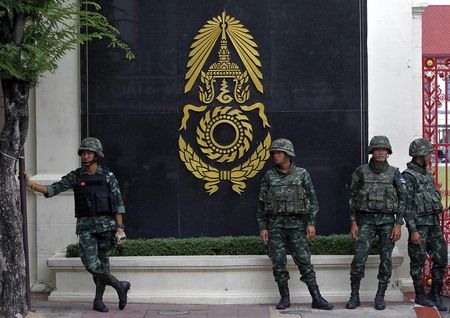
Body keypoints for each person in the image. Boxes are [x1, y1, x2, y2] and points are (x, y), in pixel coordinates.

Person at [26, 137, 130, 313]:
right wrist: (32, 184)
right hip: (86, 228)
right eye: (83, 152)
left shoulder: (108, 177)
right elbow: (53, 189)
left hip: (106, 228)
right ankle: (120, 285)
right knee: (91, 264)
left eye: (89, 152)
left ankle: (98, 301)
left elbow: (118, 204)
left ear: (97, 155)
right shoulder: (75, 176)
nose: (85, 156)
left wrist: (120, 229)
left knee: (102, 266)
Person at [256, 138, 333, 311]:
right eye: (274, 153)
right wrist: (263, 227)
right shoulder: (269, 176)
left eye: (279, 152)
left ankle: (317, 297)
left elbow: (313, 201)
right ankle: (285, 298)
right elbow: (261, 204)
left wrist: (311, 223)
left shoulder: (302, 174)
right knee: (278, 262)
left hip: (296, 225)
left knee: (305, 261)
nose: (275, 155)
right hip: (275, 226)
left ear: (288, 154)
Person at [346, 135, 406, 310]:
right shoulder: (361, 172)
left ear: (388, 152)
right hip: (366, 221)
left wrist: (398, 224)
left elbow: (403, 199)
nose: (381, 152)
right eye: (378, 149)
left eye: (384, 149)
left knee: (386, 260)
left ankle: (380, 296)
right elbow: (352, 197)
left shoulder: (395, 173)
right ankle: (354, 295)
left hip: (387, 222)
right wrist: (353, 222)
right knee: (358, 259)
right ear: (372, 151)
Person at [402, 138, 447, 311]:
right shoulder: (408, 176)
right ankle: (420, 295)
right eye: (428, 152)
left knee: (441, 258)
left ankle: (435, 293)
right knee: (418, 262)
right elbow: (406, 206)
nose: (431, 155)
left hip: (433, 223)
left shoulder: (427, 173)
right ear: (420, 154)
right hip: (419, 226)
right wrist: (412, 230)